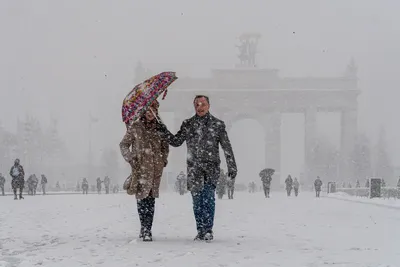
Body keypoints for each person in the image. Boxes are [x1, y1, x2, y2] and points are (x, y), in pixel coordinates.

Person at [157, 95, 237, 241]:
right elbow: (176, 141)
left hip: (211, 167)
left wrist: (232, 165)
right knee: (197, 201)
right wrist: (162, 129)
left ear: (209, 106)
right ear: (194, 106)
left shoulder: (217, 124)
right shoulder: (188, 124)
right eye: (197, 104)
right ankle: (200, 229)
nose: (200, 107)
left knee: (208, 198)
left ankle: (208, 230)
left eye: (203, 104)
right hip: (194, 168)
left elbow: (226, 146)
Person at [120, 100, 169, 242]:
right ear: (143, 111)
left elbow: (165, 147)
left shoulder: (161, 128)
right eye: (147, 110)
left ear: (156, 112)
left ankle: (148, 228)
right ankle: (145, 228)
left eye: (152, 110)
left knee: (151, 200)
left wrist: (163, 160)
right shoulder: (135, 127)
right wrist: (130, 158)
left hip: (155, 169)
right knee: (141, 199)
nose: (150, 113)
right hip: (140, 168)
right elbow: (123, 144)